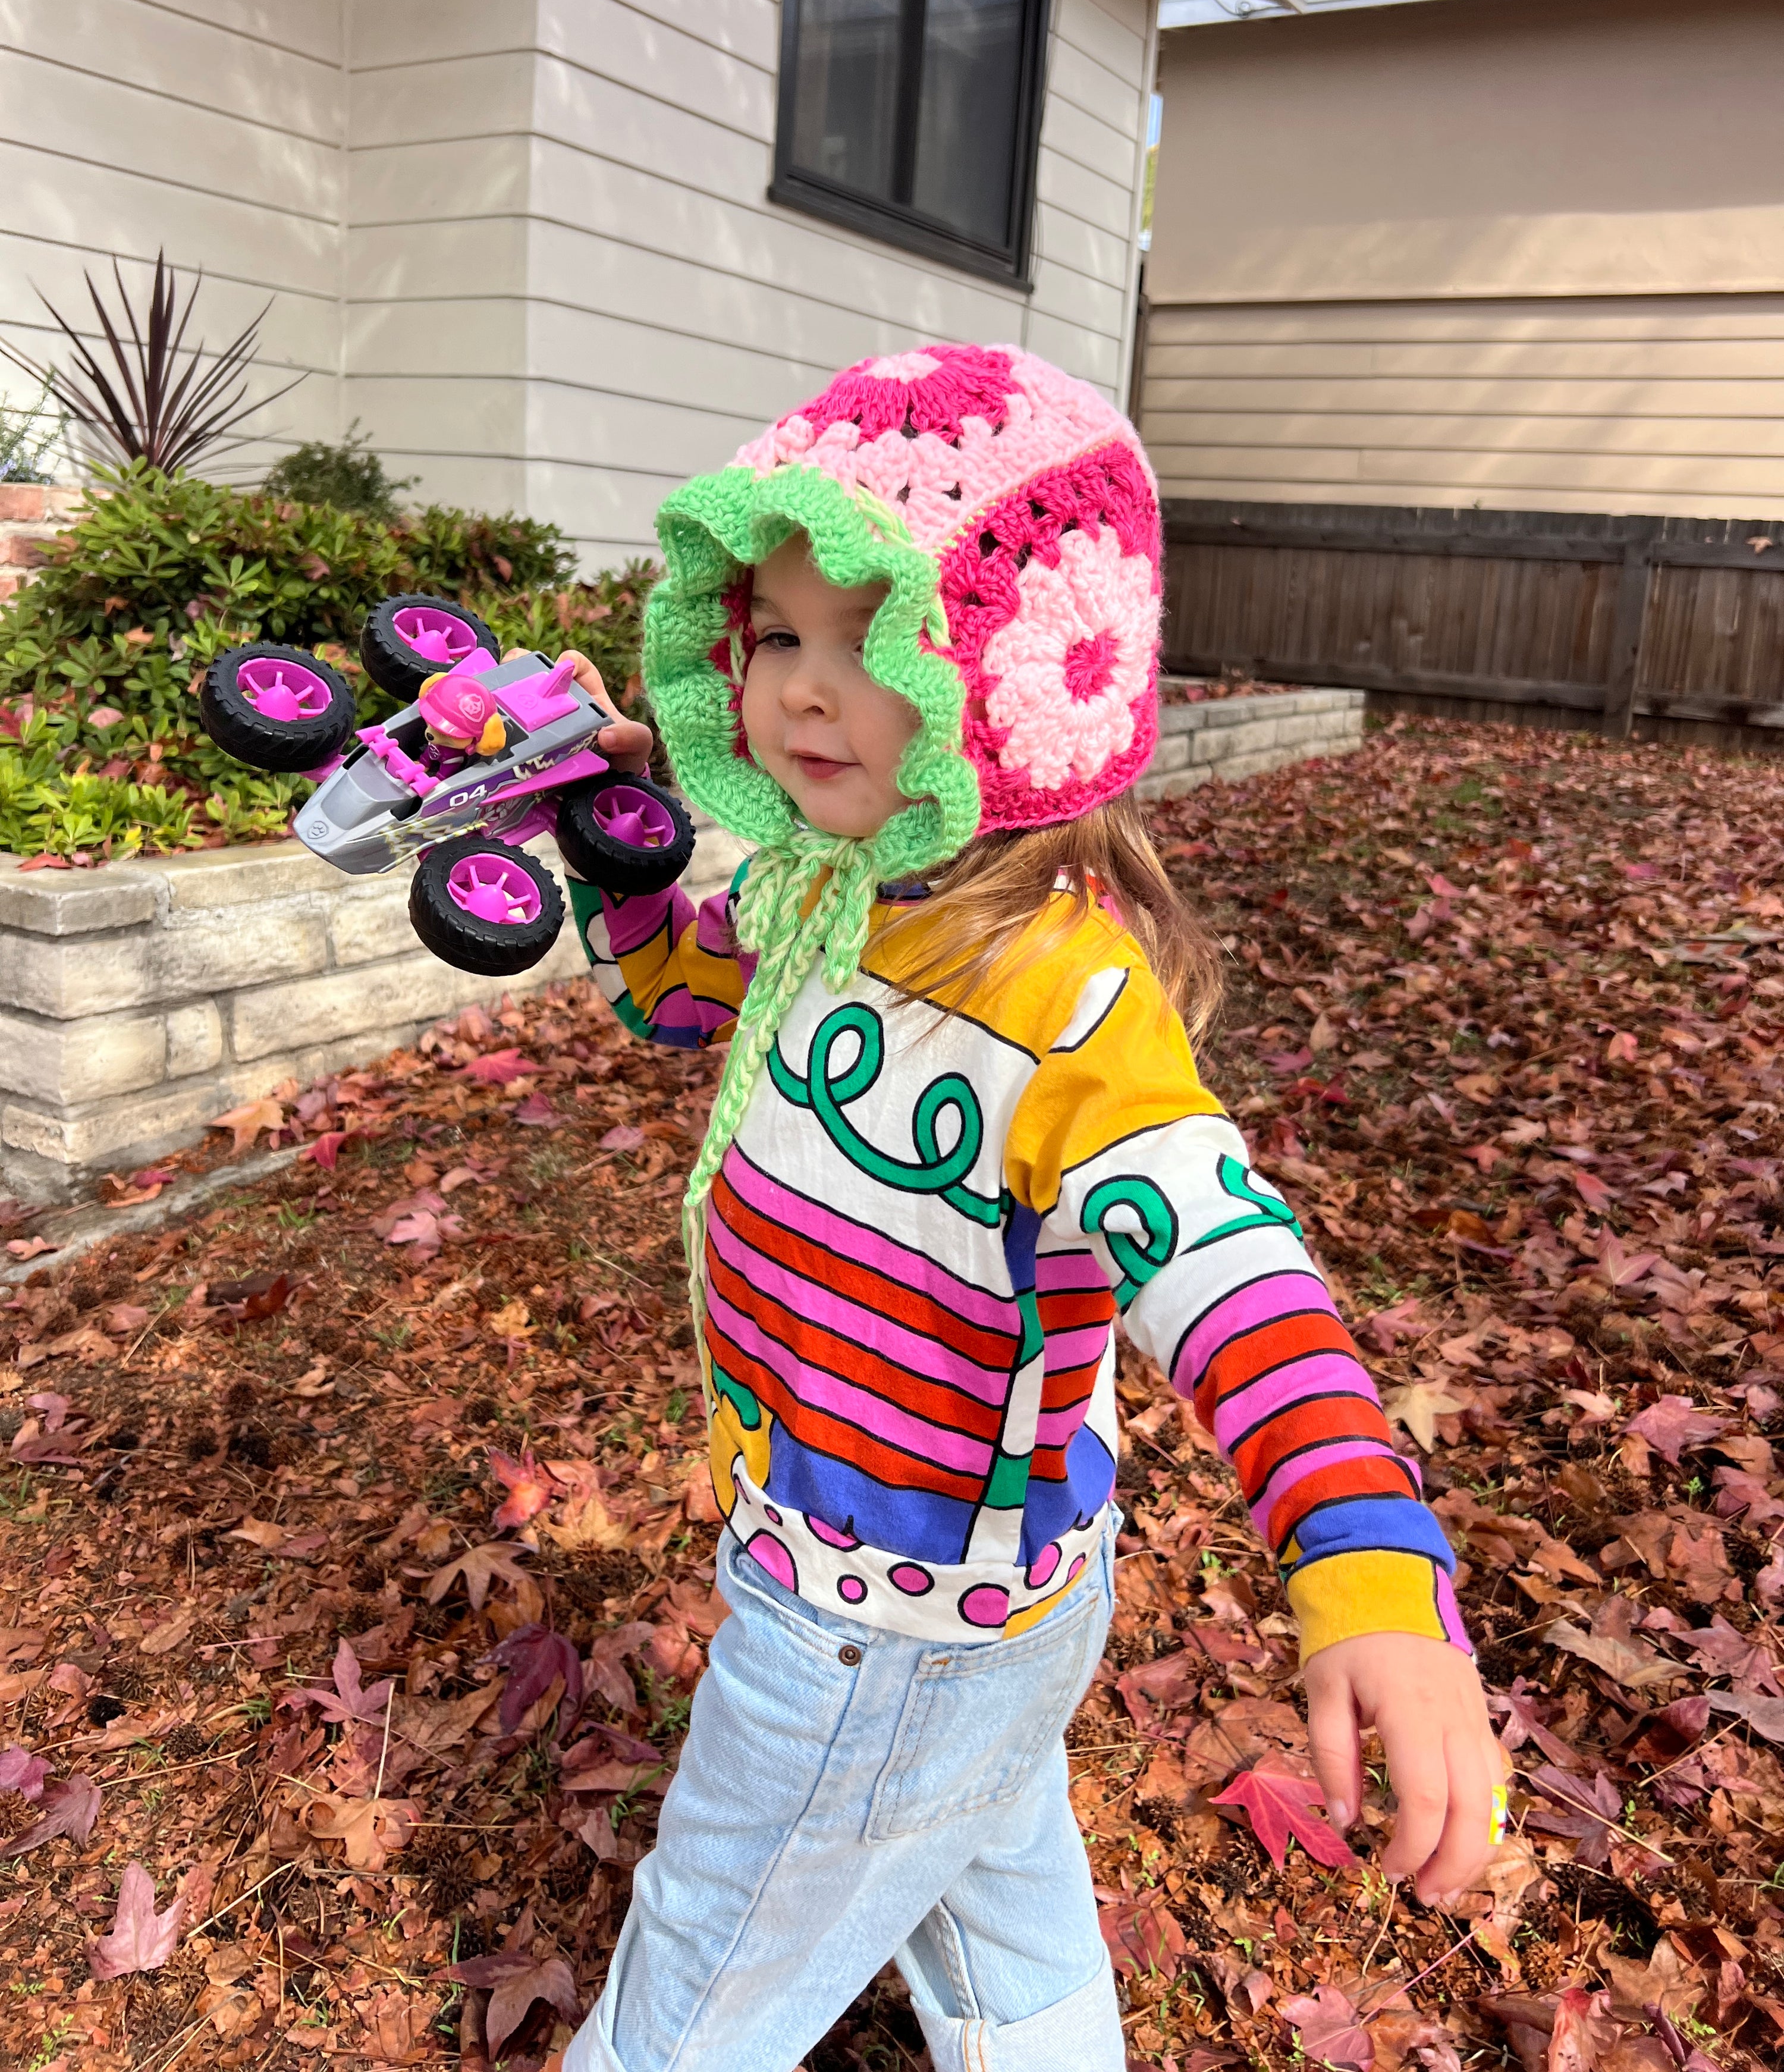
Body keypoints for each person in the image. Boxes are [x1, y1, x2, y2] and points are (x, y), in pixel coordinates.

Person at [555, 344, 1499, 2072]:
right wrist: (617, 860)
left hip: (877, 1622)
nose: (807, 697)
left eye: (876, 642)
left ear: (1008, 684)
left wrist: (1368, 1561)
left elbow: (1227, 1268)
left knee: (692, 1991)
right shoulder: (822, 888)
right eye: (777, 635)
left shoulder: (1066, 1001)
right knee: (1001, 1908)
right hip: (974, 1605)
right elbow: (690, 997)